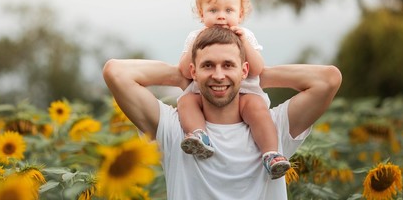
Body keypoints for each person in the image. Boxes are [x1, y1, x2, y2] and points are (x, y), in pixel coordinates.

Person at [103, 26, 342, 199]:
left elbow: (328, 79)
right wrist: (180, 77)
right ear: (193, 71)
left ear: (244, 70)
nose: (218, 75)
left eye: (228, 65)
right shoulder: (175, 128)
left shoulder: (271, 127)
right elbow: (116, 72)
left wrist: (258, 77)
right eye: (208, 65)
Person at [177, 0, 290, 179]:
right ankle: (199, 136)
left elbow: (257, 68)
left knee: (257, 109)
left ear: (240, 14)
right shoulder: (196, 37)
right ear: (202, 14)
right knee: (186, 101)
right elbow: (186, 71)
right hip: (206, 94)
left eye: (228, 11)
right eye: (213, 10)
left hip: (244, 93)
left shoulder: (245, 35)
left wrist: (244, 42)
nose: (221, 17)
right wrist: (197, 43)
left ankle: (270, 153)